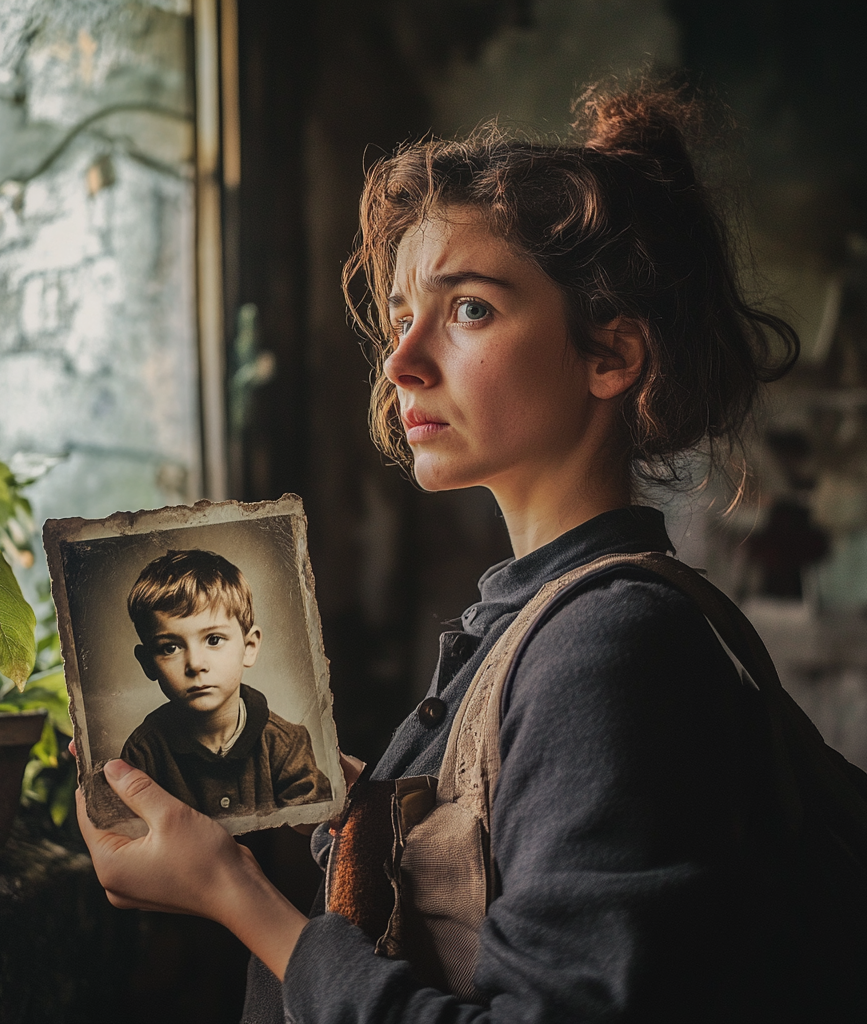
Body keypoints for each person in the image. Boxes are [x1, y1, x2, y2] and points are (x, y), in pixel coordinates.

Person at [75, 84, 867, 1022]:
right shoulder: (534, 620)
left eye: (472, 310)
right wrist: (350, 805)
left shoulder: (607, 646)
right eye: (404, 313)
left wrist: (235, 897)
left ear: (610, 358)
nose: (401, 360)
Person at [120, 549, 332, 819]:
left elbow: (317, 833)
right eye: (170, 647)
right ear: (148, 663)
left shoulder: (286, 743)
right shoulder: (143, 752)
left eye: (214, 639)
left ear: (250, 647)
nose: (195, 664)